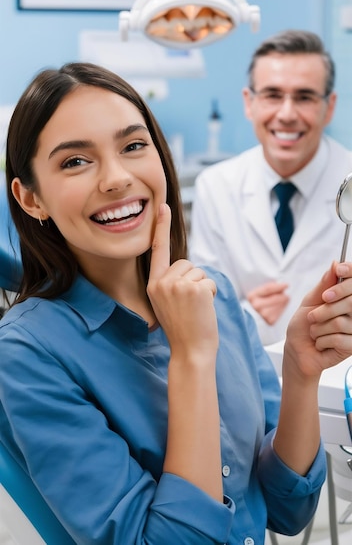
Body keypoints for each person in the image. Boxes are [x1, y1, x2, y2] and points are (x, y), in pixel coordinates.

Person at [1, 62, 352, 545]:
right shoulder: (26, 352)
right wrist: (190, 357)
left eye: (133, 146)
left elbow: (286, 508)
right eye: (75, 161)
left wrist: (300, 372)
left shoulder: (217, 293)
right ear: (30, 198)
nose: (116, 178)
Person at [190, 29, 352, 345]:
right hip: (245, 377)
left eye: (304, 97)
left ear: (329, 107)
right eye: (273, 95)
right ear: (249, 103)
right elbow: (203, 313)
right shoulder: (216, 187)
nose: (287, 114)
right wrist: (248, 316)